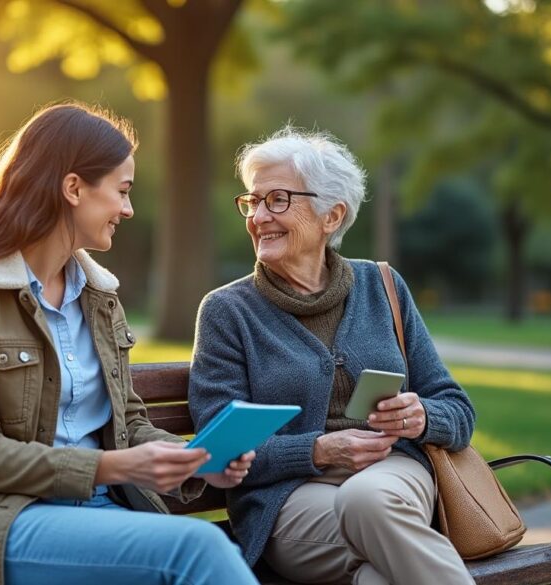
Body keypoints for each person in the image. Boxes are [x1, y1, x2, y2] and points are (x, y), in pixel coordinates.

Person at [0, 102, 258, 585]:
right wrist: (111, 467)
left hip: (97, 510)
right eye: (122, 191)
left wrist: (194, 461)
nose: (129, 209)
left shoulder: (98, 297)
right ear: (73, 188)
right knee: (198, 548)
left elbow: (128, 422)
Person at [188, 126, 477, 585]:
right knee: (379, 572)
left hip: (393, 475)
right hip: (289, 498)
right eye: (252, 201)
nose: (259, 216)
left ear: (332, 216)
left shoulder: (382, 286)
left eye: (277, 199)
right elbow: (218, 450)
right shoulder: (228, 311)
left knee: (369, 502)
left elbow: (458, 410)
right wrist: (319, 450)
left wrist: (422, 417)